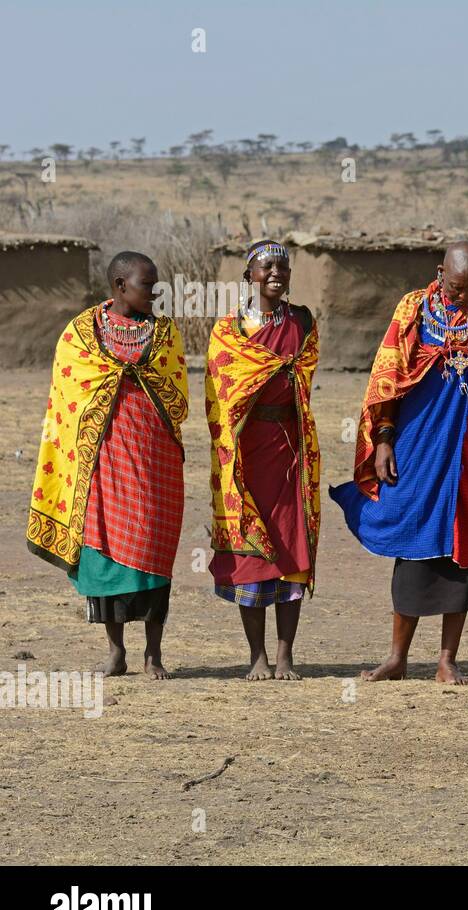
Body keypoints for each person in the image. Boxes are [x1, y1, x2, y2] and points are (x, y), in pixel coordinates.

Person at [331, 241, 468, 683]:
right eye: (458, 288)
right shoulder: (413, 311)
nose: (465, 298)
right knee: (413, 542)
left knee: (464, 552)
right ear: (441, 273)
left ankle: (447, 660)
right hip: (418, 445)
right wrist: (383, 439)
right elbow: (386, 377)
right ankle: (397, 658)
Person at [27, 251, 188, 678]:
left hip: (155, 459)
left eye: (156, 285)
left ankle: (154, 654)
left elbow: (177, 395)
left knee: (154, 547)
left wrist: (135, 376)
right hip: (100, 461)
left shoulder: (165, 332)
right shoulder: (81, 333)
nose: (154, 293)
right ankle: (116, 651)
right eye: (146, 286)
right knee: (103, 553)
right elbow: (69, 393)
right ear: (120, 286)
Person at [206, 240, 321, 681]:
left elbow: (303, 377)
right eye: (266, 266)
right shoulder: (228, 330)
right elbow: (221, 393)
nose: (276, 273)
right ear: (249, 275)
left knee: (291, 546)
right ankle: (257, 656)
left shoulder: (303, 322)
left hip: (291, 450)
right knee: (252, 551)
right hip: (245, 452)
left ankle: (286, 655)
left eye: (283, 266)